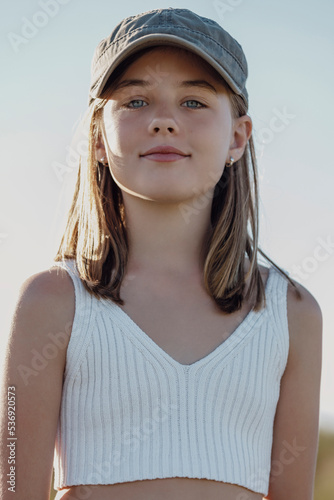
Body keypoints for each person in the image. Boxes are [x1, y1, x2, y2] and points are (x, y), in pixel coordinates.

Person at [0, 7, 322, 500]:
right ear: (98, 139)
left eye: (193, 101)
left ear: (237, 136)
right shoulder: (53, 302)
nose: (164, 121)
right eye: (135, 101)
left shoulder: (289, 312)